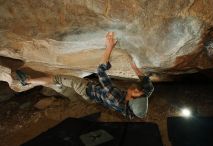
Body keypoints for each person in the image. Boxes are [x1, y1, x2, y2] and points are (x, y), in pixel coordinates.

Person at [16, 32, 154, 119]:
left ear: (130, 100)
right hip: (96, 94)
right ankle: (54, 85)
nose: (138, 90)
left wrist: (109, 47)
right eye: (141, 92)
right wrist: (134, 66)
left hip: (87, 90)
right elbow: (148, 85)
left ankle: (27, 81)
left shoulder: (116, 99)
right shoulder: (140, 99)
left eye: (136, 93)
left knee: (58, 78)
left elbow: (100, 71)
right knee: (59, 85)